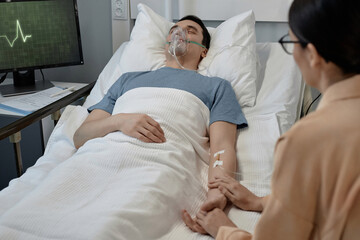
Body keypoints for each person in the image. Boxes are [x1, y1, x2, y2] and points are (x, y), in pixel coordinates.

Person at [183, 0, 360, 239]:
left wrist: (224, 229)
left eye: (291, 42)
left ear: (313, 55)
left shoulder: (305, 140)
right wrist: (263, 202)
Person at [74, 15, 248, 227]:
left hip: (160, 165)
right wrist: (119, 121)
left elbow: (221, 147)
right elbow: (80, 137)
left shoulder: (216, 87)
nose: (180, 33)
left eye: (191, 31)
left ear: (203, 51)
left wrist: (217, 194)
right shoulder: (127, 80)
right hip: (98, 161)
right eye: (174, 29)